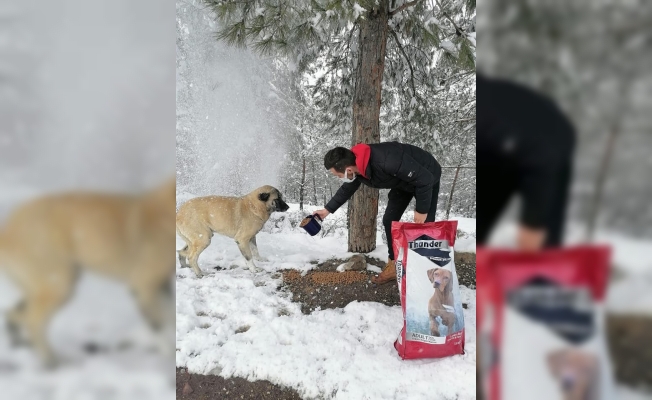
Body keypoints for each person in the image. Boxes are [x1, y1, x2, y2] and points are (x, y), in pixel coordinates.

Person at [313, 141, 441, 284]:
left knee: (426, 225)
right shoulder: (358, 167)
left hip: (427, 175)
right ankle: (394, 266)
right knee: (389, 220)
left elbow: (425, 179)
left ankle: (427, 273)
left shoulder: (386, 161)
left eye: (338, 175)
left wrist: (422, 210)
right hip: (403, 181)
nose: (339, 178)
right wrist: (327, 210)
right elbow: (347, 189)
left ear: (348, 170)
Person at [477, 73, 576, 251]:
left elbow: (542, 159)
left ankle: (545, 264)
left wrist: (533, 222)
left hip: (550, 140)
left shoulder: (487, 111)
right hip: (499, 151)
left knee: (541, 244)